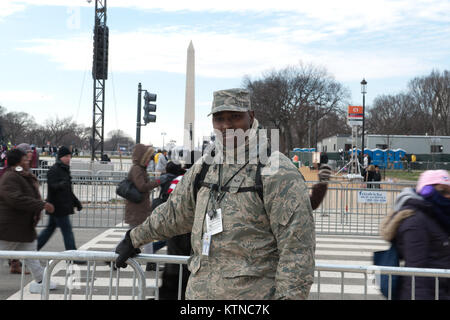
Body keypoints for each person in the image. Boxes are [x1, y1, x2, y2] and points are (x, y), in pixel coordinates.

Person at [115, 88, 315, 300]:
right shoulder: (204, 168)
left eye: (235, 117)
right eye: (219, 119)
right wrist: (134, 238)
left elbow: (297, 251)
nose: (227, 126)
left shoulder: (277, 171)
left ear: (251, 116)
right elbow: (175, 214)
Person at [379, 170, 450, 300]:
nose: (447, 196)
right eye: (442, 191)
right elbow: (416, 275)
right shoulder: (416, 222)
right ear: (427, 191)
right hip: (425, 293)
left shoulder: (438, 217)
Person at [0, 149, 57, 293]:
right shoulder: (10, 177)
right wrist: (41, 205)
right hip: (10, 228)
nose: (28, 161)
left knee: (32, 256)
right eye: (25, 159)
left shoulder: (20, 175)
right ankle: (42, 281)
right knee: (3, 255)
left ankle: (41, 281)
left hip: (22, 227)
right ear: (17, 162)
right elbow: (15, 199)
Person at [123, 144, 171, 270]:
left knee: (141, 236)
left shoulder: (139, 168)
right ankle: (111, 256)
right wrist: (159, 181)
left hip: (139, 208)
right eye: (148, 157)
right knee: (133, 237)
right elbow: (142, 186)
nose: (150, 159)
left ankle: (150, 262)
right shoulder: (137, 169)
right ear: (143, 157)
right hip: (136, 209)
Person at [36, 146, 84, 263]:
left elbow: (68, 190)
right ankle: (72, 256)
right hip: (57, 206)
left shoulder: (64, 169)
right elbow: (52, 186)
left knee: (49, 230)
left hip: (60, 206)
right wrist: (60, 185)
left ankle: (31, 251)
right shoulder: (55, 170)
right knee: (67, 232)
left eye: (69, 156)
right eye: (66, 156)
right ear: (60, 157)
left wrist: (76, 202)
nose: (68, 159)